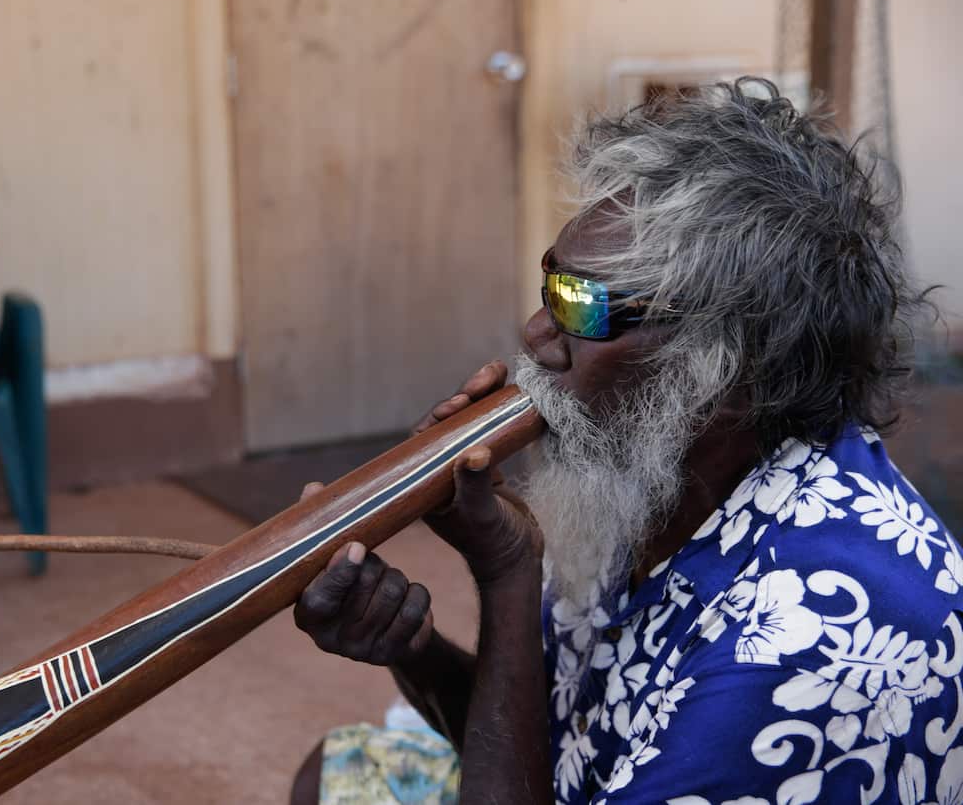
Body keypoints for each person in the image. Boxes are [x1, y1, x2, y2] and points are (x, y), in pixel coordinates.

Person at [289, 79, 963, 803]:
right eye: (552, 284)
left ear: (720, 361)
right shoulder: (656, 471)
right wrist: (410, 648)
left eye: (581, 303)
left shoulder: (804, 639)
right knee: (333, 775)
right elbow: (549, 751)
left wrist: (509, 578)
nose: (536, 333)